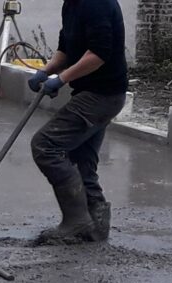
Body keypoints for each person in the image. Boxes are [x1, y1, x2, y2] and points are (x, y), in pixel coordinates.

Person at [28, 0, 128, 244]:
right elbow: (66, 49)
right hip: (92, 92)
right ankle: (96, 225)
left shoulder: (96, 3)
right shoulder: (72, 4)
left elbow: (98, 54)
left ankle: (76, 220)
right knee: (82, 158)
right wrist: (46, 71)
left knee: (45, 145)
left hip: (102, 95)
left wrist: (61, 79)